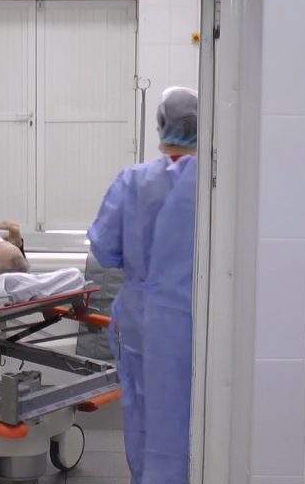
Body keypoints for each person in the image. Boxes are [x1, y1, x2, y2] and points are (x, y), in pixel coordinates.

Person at [86, 86, 197, 484]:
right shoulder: (214, 185)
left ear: (161, 124)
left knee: (143, 409)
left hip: (141, 318)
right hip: (194, 317)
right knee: (192, 410)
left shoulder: (133, 181)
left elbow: (104, 248)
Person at [142, 155, 197, 484]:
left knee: (151, 419)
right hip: (185, 316)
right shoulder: (207, 188)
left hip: (156, 317)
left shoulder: (140, 184)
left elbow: (105, 247)